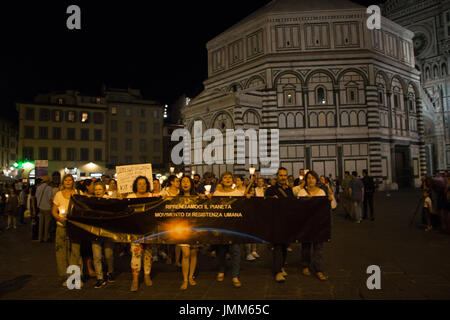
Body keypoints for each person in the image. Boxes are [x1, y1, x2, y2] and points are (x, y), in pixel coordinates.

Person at [296, 170, 332, 281]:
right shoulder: (302, 192)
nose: (311, 180)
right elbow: (297, 208)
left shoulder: (321, 192)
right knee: (306, 247)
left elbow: (329, 207)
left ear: (316, 180)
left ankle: (319, 269)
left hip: (319, 225)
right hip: (306, 224)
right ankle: (305, 265)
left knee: (319, 248)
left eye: (313, 178)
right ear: (306, 180)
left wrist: (329, 199)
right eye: (309, 178)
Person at [213, 172, 244, 288]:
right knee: (221, 250)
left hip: (234, 227)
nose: (227, 179)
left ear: (233, 180)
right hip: (221, 226)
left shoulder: (238, 193)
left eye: (230, 177)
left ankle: (235, 275)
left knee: (235, 251)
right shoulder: (216, 193)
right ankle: (221, 270)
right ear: (221, 180)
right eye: (225, 177)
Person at [52, 174, 82, 287]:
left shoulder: (79, 194)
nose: (68, 182)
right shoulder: (58, 195)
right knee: (62, 252)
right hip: (62, 226)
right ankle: (67, 277)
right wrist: (59, 217)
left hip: (75, 227)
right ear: (63, 182)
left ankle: (76, 277)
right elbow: (54, 211)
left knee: (75, 252)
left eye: (70, 180)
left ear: (73, 182)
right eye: (66, 180)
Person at [265, 167, 294, 282]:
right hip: (275, 222)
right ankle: (277, 271)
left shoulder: (289, 190)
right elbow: (265, 204)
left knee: (285, 246)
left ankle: (281, 267)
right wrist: (272, 199)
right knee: (277, 246)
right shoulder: (271, 190)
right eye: (281, 175)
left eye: (284, 175)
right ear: (277, 176)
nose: (283, 177)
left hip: (286, 222)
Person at [128, 176, 153, 292]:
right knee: (135, 255)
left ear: (147, 185)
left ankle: (147, 274)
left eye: (144, 184)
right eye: (139, 184)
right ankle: (135, 279)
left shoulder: (153, 197)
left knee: (148, 254)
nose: (142, 186)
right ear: (135, 185)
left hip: (150, 230)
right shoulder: (130, 197)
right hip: (135, 231)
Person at [176, 176, 199, 290]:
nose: (185, 183)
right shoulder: (175, 198)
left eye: (187, 181)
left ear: (191, 184)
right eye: (183, 181)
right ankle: (185, 279)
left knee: (194, 253)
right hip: (182, 229)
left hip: (194, 229)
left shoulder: (197, 197)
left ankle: (191, 277)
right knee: (185, 253)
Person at [91, 181, 115, 288]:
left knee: (108, 254)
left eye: (100, 189)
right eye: (96, 189)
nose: (97, 192)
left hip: (107, 230)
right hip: (95, 231)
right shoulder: (90, 201)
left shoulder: (108, 200)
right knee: (96, 256)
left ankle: (110, 272)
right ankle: (100, 278)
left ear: (104, 191)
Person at [35, 176, 54, 242]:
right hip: (47, 208)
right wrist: (52, 206)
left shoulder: (38, 187)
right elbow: (50, 199)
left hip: (40, 207)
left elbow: (36, 197)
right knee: (47, 224)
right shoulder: (49, 188)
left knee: (41, 223)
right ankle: (45, 238)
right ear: (48, 181)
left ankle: (40, 238)